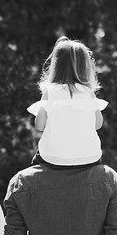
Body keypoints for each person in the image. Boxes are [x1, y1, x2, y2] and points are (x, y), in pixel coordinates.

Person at [29, 35, 108, 166]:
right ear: (86, 67)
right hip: (89, 158)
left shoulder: (51, 91)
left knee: (35, 165)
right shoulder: (88, 93)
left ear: (56, 66)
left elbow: (39, 125)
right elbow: (98, 124)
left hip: (53, 158)